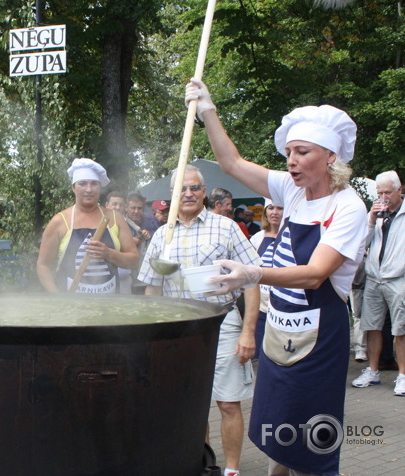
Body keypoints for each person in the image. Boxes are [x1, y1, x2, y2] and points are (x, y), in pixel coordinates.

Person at [186, 79, 367, 475]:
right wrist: (207, 110)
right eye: (288, 152)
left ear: (331, 157)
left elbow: (316, 275)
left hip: (319, 335)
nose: (291, 161)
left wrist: (252, 273)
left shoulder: (348, 207)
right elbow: (232, 164)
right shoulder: (293, 190)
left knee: (311, 441)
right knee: (276, 429)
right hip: (277, 331)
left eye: (302, 152)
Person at [138, 165, 260, 476]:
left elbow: (253, 281)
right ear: (172, 196)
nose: (189, 194)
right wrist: (155, 334)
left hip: (223, 321)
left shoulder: (226, 227)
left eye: (194, 188)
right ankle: (203, 466)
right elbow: (152, 287)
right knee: (192, 405)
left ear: (204, 193)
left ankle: (232, 470)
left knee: (229, 403)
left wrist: (249, 333)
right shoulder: (161, 236)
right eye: (182, 189)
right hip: (180, 330)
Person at [37, 158, 139, 293]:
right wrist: (58, 298)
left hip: (109, 306)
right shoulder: (60, 221)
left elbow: (134, 261)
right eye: (82, 183)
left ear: (100, 187)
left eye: (94, 184)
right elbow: (43, 265)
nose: (89, 189)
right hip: (71, 306)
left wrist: (108, 253)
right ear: (73, 187)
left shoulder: (115, 218)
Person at [351, 170, 405, 395]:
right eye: (380, 193)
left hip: (398, 277)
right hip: (374, 278)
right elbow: (360, 243)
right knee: (371, 326)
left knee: (400, 329)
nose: (384, 197)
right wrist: (371, 220)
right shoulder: (376, 214)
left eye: (388, 192)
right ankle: (373, 371)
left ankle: (402, 375)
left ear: (400, 191)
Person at [248, 200, 284, 357]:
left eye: (279, 208)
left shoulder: (291, 237)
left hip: (283, 306)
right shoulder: (258, 238)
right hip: (262, 306)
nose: (274, 212)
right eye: (271, 208)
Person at [125, 192, 158, 294]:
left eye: (139, 208)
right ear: (126, 207)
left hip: (149, 277)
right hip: (127, 278)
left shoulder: (151, 220)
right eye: (133, 208)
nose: (136, 211)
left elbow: (160, 240)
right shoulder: (119, 222)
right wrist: (129, 241)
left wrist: (150, 236)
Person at [105, 190, 133, 294]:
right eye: (114, 204)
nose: (117, 207)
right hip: (105, 277)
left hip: (124, 275)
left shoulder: (129, 224)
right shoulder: (98, 223)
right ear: (107, 205)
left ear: (125, 207)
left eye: (120, 205)